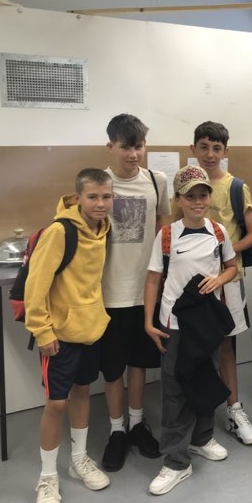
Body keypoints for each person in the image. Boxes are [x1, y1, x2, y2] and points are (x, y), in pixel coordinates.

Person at [143, 164, 238, 496]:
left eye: (203, 195)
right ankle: (176, 461)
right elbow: (153, 278)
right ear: (178, 201)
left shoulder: (219, 232)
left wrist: (219, 279)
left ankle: (202, 438)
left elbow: (231, 267)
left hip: (205, 324)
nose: (198, 201)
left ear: (209, 197)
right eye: (190, 196)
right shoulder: (168, 235)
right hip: (174, 324)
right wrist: (149, 321)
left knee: (206, 379)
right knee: (175, 389)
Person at [25, 168, 114, 503]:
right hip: (59, 336)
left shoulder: (103, 229)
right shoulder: (60, 232)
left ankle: (78, 460)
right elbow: (36, 285)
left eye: (106, 196)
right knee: (56, 404)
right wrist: (42, 331)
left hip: (90, 330)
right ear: (78, 198)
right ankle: (47, 478)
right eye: (92, 197)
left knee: (82, 392)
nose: (100, 203)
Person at [100, 114, 171, 472]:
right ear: (110, 146)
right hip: (108, 293)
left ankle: (138, 424)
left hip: (146, 291)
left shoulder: (157, 181)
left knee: (139, 363)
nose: (133, 154)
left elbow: (162, 228)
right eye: (125, 147)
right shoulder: (100, 184)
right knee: (113, 367)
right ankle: (117, 431)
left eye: (139, 146)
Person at [188, 121, 252, 444]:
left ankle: (234, 410)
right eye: (204, 147)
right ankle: (198, 412)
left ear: (225, 151)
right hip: (194, 281)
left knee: (226, 345)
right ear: (193, 149)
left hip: (229, 278)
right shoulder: (186, 183)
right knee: (196, 347)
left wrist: (224, 254)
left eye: (216, 148)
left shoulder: (236, 187)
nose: (210, 154)